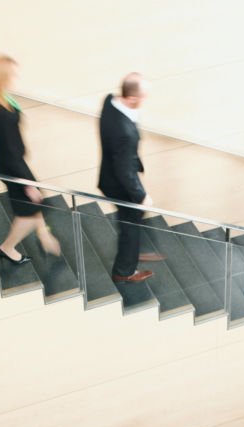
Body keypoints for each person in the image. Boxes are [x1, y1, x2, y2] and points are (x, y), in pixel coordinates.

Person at [0, 54, 60, 264]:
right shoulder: (0, 112)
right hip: (11, 163)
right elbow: (9, 147)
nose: (16, 78)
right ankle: (7, 248)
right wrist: (25, 183)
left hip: (7, 158)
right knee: (27, 209)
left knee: (35, 200)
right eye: (13, 74)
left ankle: (44, 234)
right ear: (2, 77)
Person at [98, 72, 162, 284]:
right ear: (132, 98)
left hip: (110, 174)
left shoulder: (110, 101)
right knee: (130, 224)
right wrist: (142, 195)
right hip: (119, 183)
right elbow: (124, 169)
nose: (145, 101)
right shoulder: (124, 131)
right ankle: (124, 271)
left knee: (133, 219)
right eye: (143, 97)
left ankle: (131, 252)